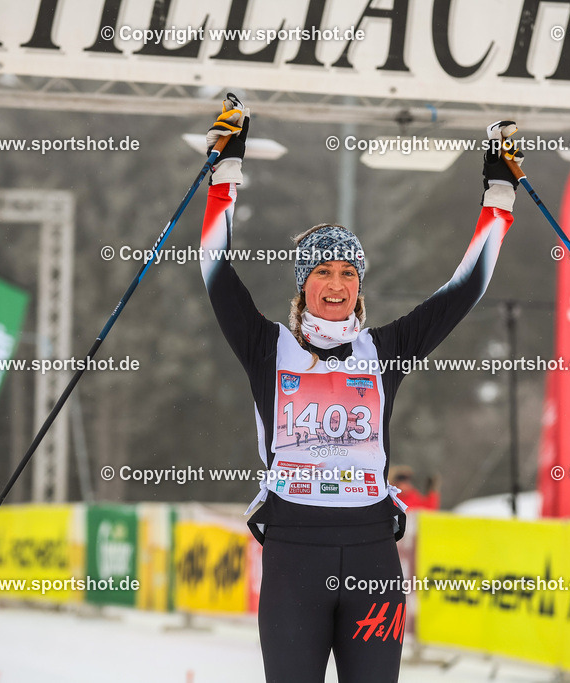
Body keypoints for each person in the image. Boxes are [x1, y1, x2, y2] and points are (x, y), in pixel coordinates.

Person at [198, 94, 521, 683]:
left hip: (372, 550)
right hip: (295, 549)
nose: (336, 283)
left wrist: (499, 194)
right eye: (322, 270)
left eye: (347, 272)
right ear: (302, 286)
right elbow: (214, 266)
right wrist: (225, 171)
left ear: (360, 286)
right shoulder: (267, 348)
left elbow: (466, 287)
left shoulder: (383, 351)